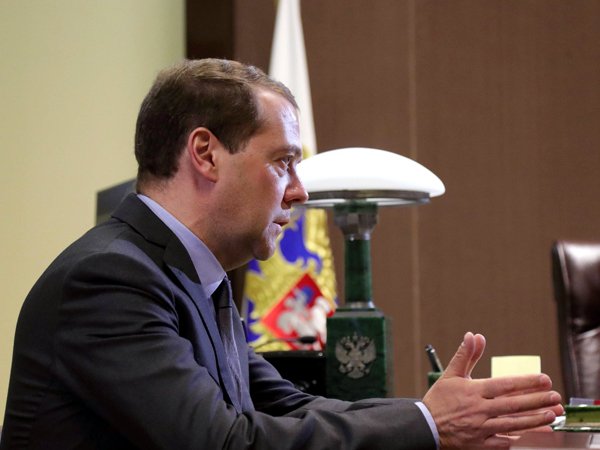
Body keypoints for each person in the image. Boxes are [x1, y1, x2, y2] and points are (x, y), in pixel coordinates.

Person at [0, 58, 563, 449]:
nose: (299, 192)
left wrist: (435, 417)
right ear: (206, 154)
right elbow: (221, 443)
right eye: (283, 163)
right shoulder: (110, 279)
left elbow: (289, 407)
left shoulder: (192, 274)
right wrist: (429, 424)